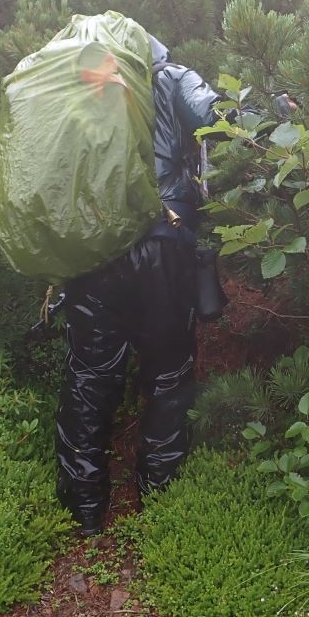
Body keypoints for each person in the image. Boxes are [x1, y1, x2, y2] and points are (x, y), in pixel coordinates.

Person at [54, 34, 263, 536]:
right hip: (163, 245)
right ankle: (160, 495)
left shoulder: (72, 87)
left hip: (93, 248)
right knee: (169, 372)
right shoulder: (170, 78)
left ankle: (84, 508)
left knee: (89, 375)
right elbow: (221, 118)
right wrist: (272, 112)